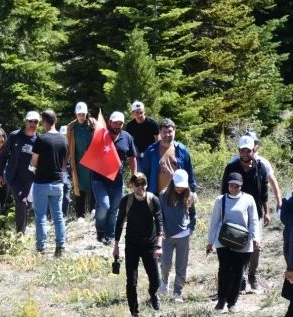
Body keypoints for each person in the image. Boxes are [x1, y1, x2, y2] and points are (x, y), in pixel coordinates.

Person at [220, 134, 270, 293]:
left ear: (254, 149)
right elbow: (223, 191)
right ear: (238, 151)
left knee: (256, 247)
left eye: (248, 150)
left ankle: (252, 276)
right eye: (243, 150)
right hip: (236, 214)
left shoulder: (260, 166)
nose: (245, 153)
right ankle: (239, 279)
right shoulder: (231, 167)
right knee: (237, 245)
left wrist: (267, 211)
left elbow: (264, 191)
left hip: (256, 213)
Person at [207, 172, 261, 313]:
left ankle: (233, 303)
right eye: (231, 185)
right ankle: (221, 301)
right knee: (225, 271)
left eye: (237, 186)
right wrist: (210, 241)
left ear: (241, 186)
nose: (234, 188)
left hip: (243, 242)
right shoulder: (221, 200)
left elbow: (253, 220)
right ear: (228, 185)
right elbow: (214, 221)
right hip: (223, 240)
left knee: (238, 273)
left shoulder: (248, 199)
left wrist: (256, 238)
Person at [113, 172, 163, 316]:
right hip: (132, 245)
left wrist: (159, 245)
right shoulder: (126, 201)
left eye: (143, 184)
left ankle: (153, 293)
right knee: (131, 281)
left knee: (155, 279)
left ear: (146, 185)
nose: (140, 187)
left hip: (150, 244)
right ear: (132, 185)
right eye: (137, 184)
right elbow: (119, 223)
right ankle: (134, 312)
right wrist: (116, 246)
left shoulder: (153, 200)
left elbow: (159, 222)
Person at [91, 111, 138, 245]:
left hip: (117, 179)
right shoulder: (100, 135)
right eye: (115, 123)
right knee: (104, 205)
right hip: (99, 178)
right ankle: (100, 231)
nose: (118, 125)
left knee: (114, 209)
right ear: (109, 122)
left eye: (120, 123)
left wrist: (134, 175)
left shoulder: (127, 137)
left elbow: (132, 158)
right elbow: (90, 154)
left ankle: (110, 236)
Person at [29, 109, 68, 256]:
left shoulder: (41, 139)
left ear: (44, 122)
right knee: (58, 216)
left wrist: (32, 169)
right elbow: (64, 163)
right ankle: (60, 246)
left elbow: (33, 162)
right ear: (56, 120)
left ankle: (41, 247)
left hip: (41, 182)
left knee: (41, 217)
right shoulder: (64, 139)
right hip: (57, 182)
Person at [0, 111, 40, 234]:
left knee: (25, 205)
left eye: (35, 121)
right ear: (25, 122)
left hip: (30, 178)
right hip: (13, 176)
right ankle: (20, 233)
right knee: (22, 200)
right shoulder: (15, 136)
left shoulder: (39, 140)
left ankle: (21, 231)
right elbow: (3, 155)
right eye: (30, 121)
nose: (32, 124)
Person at [158, 169, 196, 301]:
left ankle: (177, 292)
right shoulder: (163, 195)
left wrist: (191, 227)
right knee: (166, 263)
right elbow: (159, 215)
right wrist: (161, 230)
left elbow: (193, 214)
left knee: (181, 265)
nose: (180, 188)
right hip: (167, 236)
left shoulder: (189, 195)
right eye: (178, 185)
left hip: (183, 236)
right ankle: (164, 280)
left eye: (182, 186)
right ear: (173, 182)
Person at [141, 118, 198, 198]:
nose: (167, 134)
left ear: (174, 131)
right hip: (156, 194)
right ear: (160, 132)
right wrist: (143, 190)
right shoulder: (151, 151)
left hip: (178, 192)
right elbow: (144, 172)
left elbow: (189, 171)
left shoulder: (182, 149)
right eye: (164, 132)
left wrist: (193, 190)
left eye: (170, 131)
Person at [229, 131, 283, 214]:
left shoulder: (263, 163)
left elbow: (272, 182)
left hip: (255, 207)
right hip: (235, 206)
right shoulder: (233, 162)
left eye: (255, 143)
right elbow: (225, 183)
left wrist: (279, 201)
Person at [66, 102, 96, 219]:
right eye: (79, 114)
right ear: (76, 114)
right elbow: (68, 145)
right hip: (78, 162)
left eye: (83, 114)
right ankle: (80, 215)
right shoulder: (71, 127)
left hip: (93, 161)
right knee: (79, 187)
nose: (81, 117)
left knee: (94, 184)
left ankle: (93, 210)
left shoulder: (93, 123)